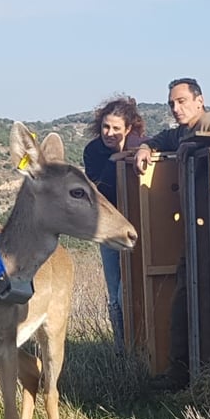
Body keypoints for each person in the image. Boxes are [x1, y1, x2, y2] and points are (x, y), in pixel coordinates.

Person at [134, 78, 210, 389]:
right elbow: (163, 137)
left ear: (199, 100)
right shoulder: (182, 131)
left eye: (181, 101)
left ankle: (202, 376)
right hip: (198, 231)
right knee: (185, 300)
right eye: (171, 103)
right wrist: (145, 146)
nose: (176, 108)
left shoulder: (208, 123)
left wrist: (195, 146)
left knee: (204, 302)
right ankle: (183, 373)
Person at [82, 96, 146, 355]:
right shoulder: (93, 151)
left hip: (139, 228)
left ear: (128, 128)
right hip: (108, 231)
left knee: (128, 292)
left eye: (116, 128)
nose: (109, 133)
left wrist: (123, 157)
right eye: (105, 127)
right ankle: (122, 350)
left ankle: (139, 347)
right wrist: (114, 161)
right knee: (114, 295)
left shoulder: (141, 147)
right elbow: (100, 193)